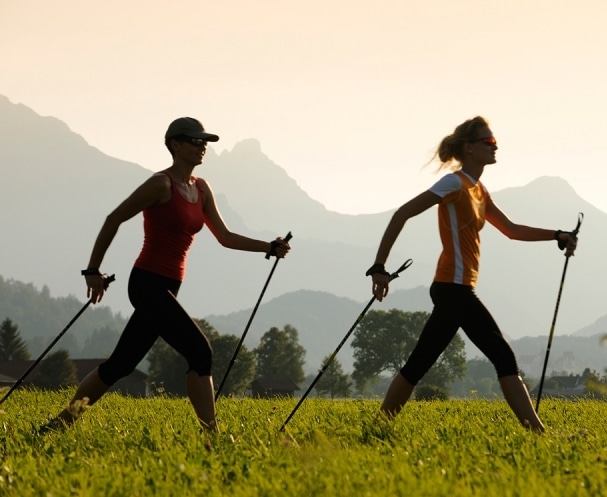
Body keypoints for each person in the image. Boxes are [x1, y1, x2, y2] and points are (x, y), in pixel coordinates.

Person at [47, 117, 290, 433]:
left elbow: (225, 236)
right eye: (195, 140)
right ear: (176, 144)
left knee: (120, 365)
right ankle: (212, 435)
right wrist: (92, 270)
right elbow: (114, 218)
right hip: (147, 283)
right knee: (200, 351)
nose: (202, 146)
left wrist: (269, 247)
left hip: (170, 286)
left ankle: (60, 424)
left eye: (205, 141)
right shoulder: (160, 184)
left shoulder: (201, 189)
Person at [366, 116, 577, 433]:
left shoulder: (480, 190)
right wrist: (379, 266)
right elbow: (403, 212)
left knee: (419, 363)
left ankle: (377, 428)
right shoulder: (455, 183)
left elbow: (511, 230)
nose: (495, 147)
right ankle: (540, 435)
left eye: (495, 142)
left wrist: (557, 235)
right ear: (468, 147)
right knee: (504, 357)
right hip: (454, 287)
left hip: (455, 287)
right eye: (488, 142)